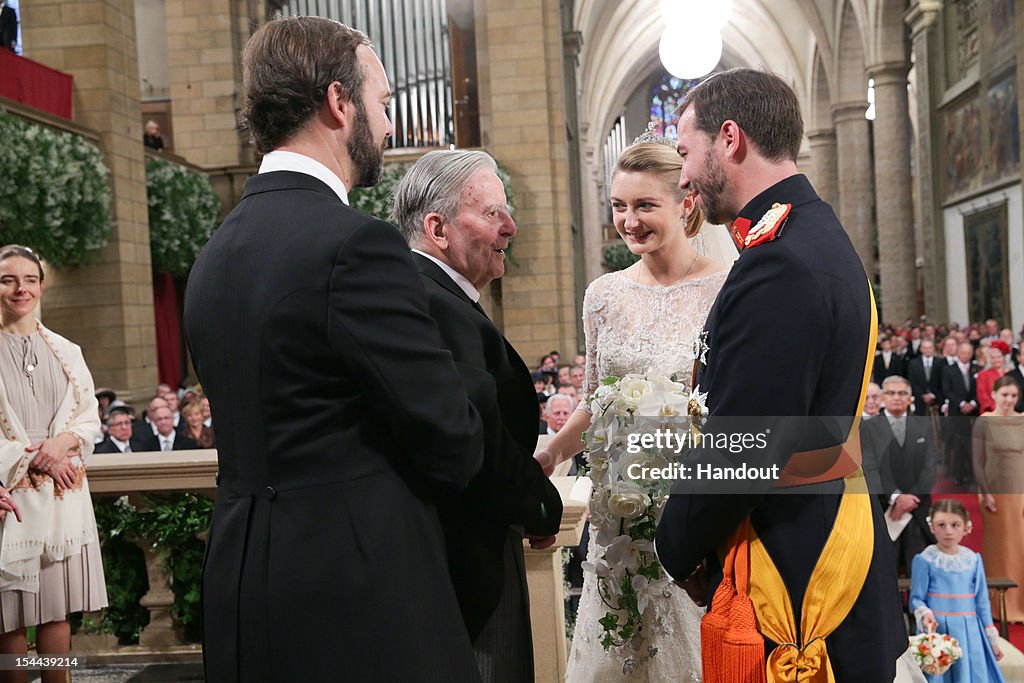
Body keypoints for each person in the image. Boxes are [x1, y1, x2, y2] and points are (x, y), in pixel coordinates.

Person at [182, 18, 484, 683]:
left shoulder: (214, 254)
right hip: (358, 592)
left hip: (241, 585)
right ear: (338, 103)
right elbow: (452, 441)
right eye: (381, 103)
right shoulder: (356, 246)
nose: (389, 124)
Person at [654, 68, 906, 681]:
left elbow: (745, 443)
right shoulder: (809, 235)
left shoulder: (781, 264)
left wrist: (675, 547)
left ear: (730, 139)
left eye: (686, 151)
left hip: (796, 567)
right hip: (824, 523)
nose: (682, 176)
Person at [536, 136, 730, 680]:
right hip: (620, 518)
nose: (629, 221)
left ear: (686, 204)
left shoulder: (725, 290)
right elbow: (596, 403)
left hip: (695, 511)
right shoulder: (603, 295)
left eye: (645, 205)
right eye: (619, 206)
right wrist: (550, 454)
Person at [393, 149, 562, 683]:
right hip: (466, 565)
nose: (510, 226)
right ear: (437, 228)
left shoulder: (433, 297)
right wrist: (539, 505)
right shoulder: (435, 304)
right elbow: (475, 445)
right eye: (492, 213)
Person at [0, 245, 107, 683]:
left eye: (29, 279)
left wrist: (63, 442)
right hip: (11, 504)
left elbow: (88, 417)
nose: (19, 289)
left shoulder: (67, 350)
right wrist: (27, 458)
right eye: (7, 279)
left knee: (55, 614)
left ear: (41, 286)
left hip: (62, 503)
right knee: (9, 618)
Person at [910, 499, 1005, 682]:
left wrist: (991, 638)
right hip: (939, 630)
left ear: (966, 527)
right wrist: (925, 613)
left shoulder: (973, 560)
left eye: (955, 525)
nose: (948, 531)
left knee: (969, 673)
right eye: (941, 525)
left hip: (970, 632)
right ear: (932, 527)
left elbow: (982, 602)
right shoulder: (925, 559)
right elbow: (916, 598)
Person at [862, 376, 938, 575]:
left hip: (918, 508)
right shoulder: (867, 428)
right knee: (884, 571)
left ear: (910, 398)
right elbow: (869, 468)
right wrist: (896, 497)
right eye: (891, 393)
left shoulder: (924, 425)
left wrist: (910, 499)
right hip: (883, 509)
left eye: (902, 393)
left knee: (919, 570)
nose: (897, 397)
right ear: (882, 398)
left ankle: (917, 607)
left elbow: (930, 467)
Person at [972, 375, 1024, 623]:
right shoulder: (984, 422)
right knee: (1001, 549)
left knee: (1021, 548)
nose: (1009, 400)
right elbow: (977, 462)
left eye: (1013, 396)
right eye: (1004, 395)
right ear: (994, 395)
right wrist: (986, 493)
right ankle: (998, 606)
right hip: (995, 494)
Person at [942, 341, 979, 485]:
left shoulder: (976, 368)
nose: (966, 356)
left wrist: (973, 403)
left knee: (972, 443)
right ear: (958, 352)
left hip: (973, 412)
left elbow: (979, 389)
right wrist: (962, 403)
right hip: (957, 412)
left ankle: (970, 473)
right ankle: (958, 474)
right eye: (963, 352)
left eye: (969, 353)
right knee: (958, 444)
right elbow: (947, 390)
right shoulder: (948, 369)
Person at [907, 339, 943, 417]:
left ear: (933, 349)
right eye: (925, 348)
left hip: (937, 400)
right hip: (919, 400)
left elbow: (942, 382)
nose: (927, 350)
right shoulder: (913, 363)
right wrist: (922, 395)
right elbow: (912, 382)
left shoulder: (941, 362)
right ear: (921, 349)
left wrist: (933, 395)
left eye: (930, 347)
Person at [976, 343, 1008, 414]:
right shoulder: (983, 374)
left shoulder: (1010, 373)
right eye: (993, 358)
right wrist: (997, 409)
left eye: (999, 357)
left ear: (1003, 357)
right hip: (990, 412)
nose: (996, 360)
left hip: (1009, 411)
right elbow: (982, 395)